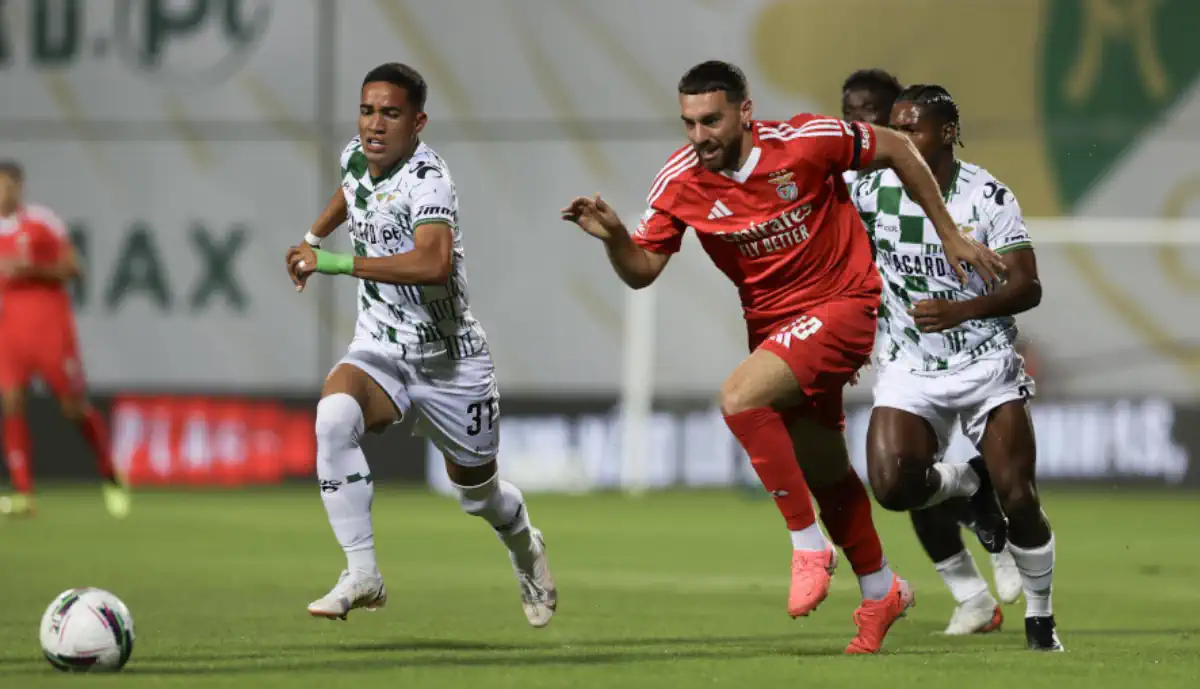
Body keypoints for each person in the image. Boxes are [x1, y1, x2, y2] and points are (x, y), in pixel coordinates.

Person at [561, 60, 1005, 654]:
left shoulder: (806, 142)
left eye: (711, 120)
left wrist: (948, 232)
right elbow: (643, 272)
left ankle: (807, 546)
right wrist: (617, 238)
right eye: (689, 123)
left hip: (845, 303)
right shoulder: (678, 181)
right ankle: (881, 589)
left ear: (745, 113)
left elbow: (897, 146)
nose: (700, 136)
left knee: (739, 397)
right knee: (825, 470)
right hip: (773, 328)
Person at [285, 63, 556, 626]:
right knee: (334, 417)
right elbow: (351, 189)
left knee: (478, 498)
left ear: (418, 122)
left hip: (451, 362)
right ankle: (363, 574)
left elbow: (433, 264)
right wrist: (313, 236)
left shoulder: (429, 178)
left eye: (390, 113)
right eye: (366, 110)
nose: (374, 125)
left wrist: (332, 261)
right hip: (381, 347)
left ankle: (526, 545)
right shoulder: (356, 155)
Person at [851, 84, 1062, 651]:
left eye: (912, 127)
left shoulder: (987, 196)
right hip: (907, 365)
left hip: (984, 364)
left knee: (1019, 498)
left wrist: (961, 310)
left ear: (946, 133)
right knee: (892, 488)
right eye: (895, 128)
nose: (900, 139)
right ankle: (968, 484)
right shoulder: (871, 189)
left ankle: (1040, 619)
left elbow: (1027, 287)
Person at [0, 161, 129, 519]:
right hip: (10, 333)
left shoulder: (41, 222)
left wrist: (30, 268)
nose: (4, 193)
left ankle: (109, 472)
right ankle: (24, 494)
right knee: (11, 404)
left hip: (50, 330)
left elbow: (74, 268)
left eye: (9, 185)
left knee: (72, 408)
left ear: (19, 188)